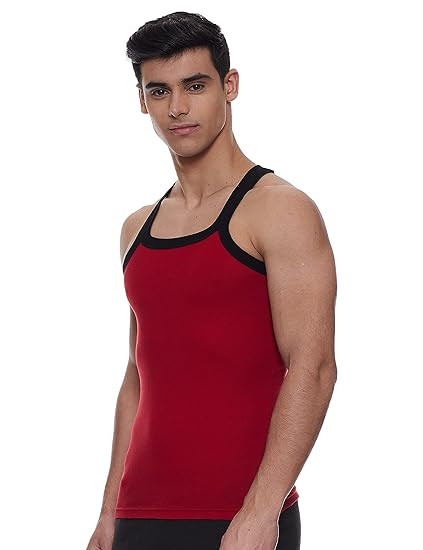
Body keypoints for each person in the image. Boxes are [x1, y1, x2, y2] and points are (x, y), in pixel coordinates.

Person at [86, 10, 337, 550]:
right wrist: (109, 512)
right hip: (139, 514)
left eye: (195, 86)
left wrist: (260, 512)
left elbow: (313, 368)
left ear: (230, 86)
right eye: (159, 91)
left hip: (240, 518)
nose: (177, 107)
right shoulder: (137, 228)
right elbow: (138, 377)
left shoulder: (279, 210)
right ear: (142, 101)